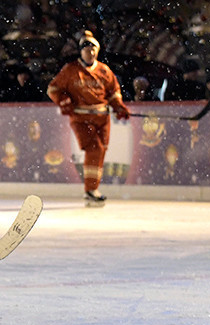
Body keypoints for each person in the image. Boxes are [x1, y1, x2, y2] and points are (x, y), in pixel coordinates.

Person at [47, 30, 131, 206]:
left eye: (93, 48)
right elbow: (53, 89)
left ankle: (92, 189)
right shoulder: (70, 70)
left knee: (100, 152)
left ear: (97, 51)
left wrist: (118, 107)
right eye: (86, 49)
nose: (90, 52)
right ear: (81, 51)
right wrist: (64, 101)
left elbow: (114, 92)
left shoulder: (104, 71)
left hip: (102, 117)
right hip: (81, 117)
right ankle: (91, 189)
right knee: (94, 149)